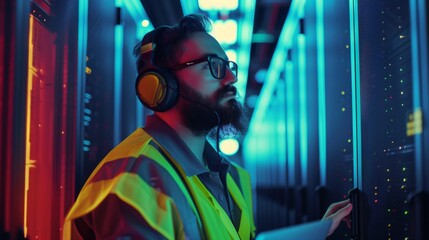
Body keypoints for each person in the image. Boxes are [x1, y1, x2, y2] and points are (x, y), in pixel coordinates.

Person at [63, 14, 352, 239]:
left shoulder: (232, 177)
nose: (230, 79)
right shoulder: (131, 183)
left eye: (229, 66)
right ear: (163, 85)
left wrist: (313, 233)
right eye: (213, 65)